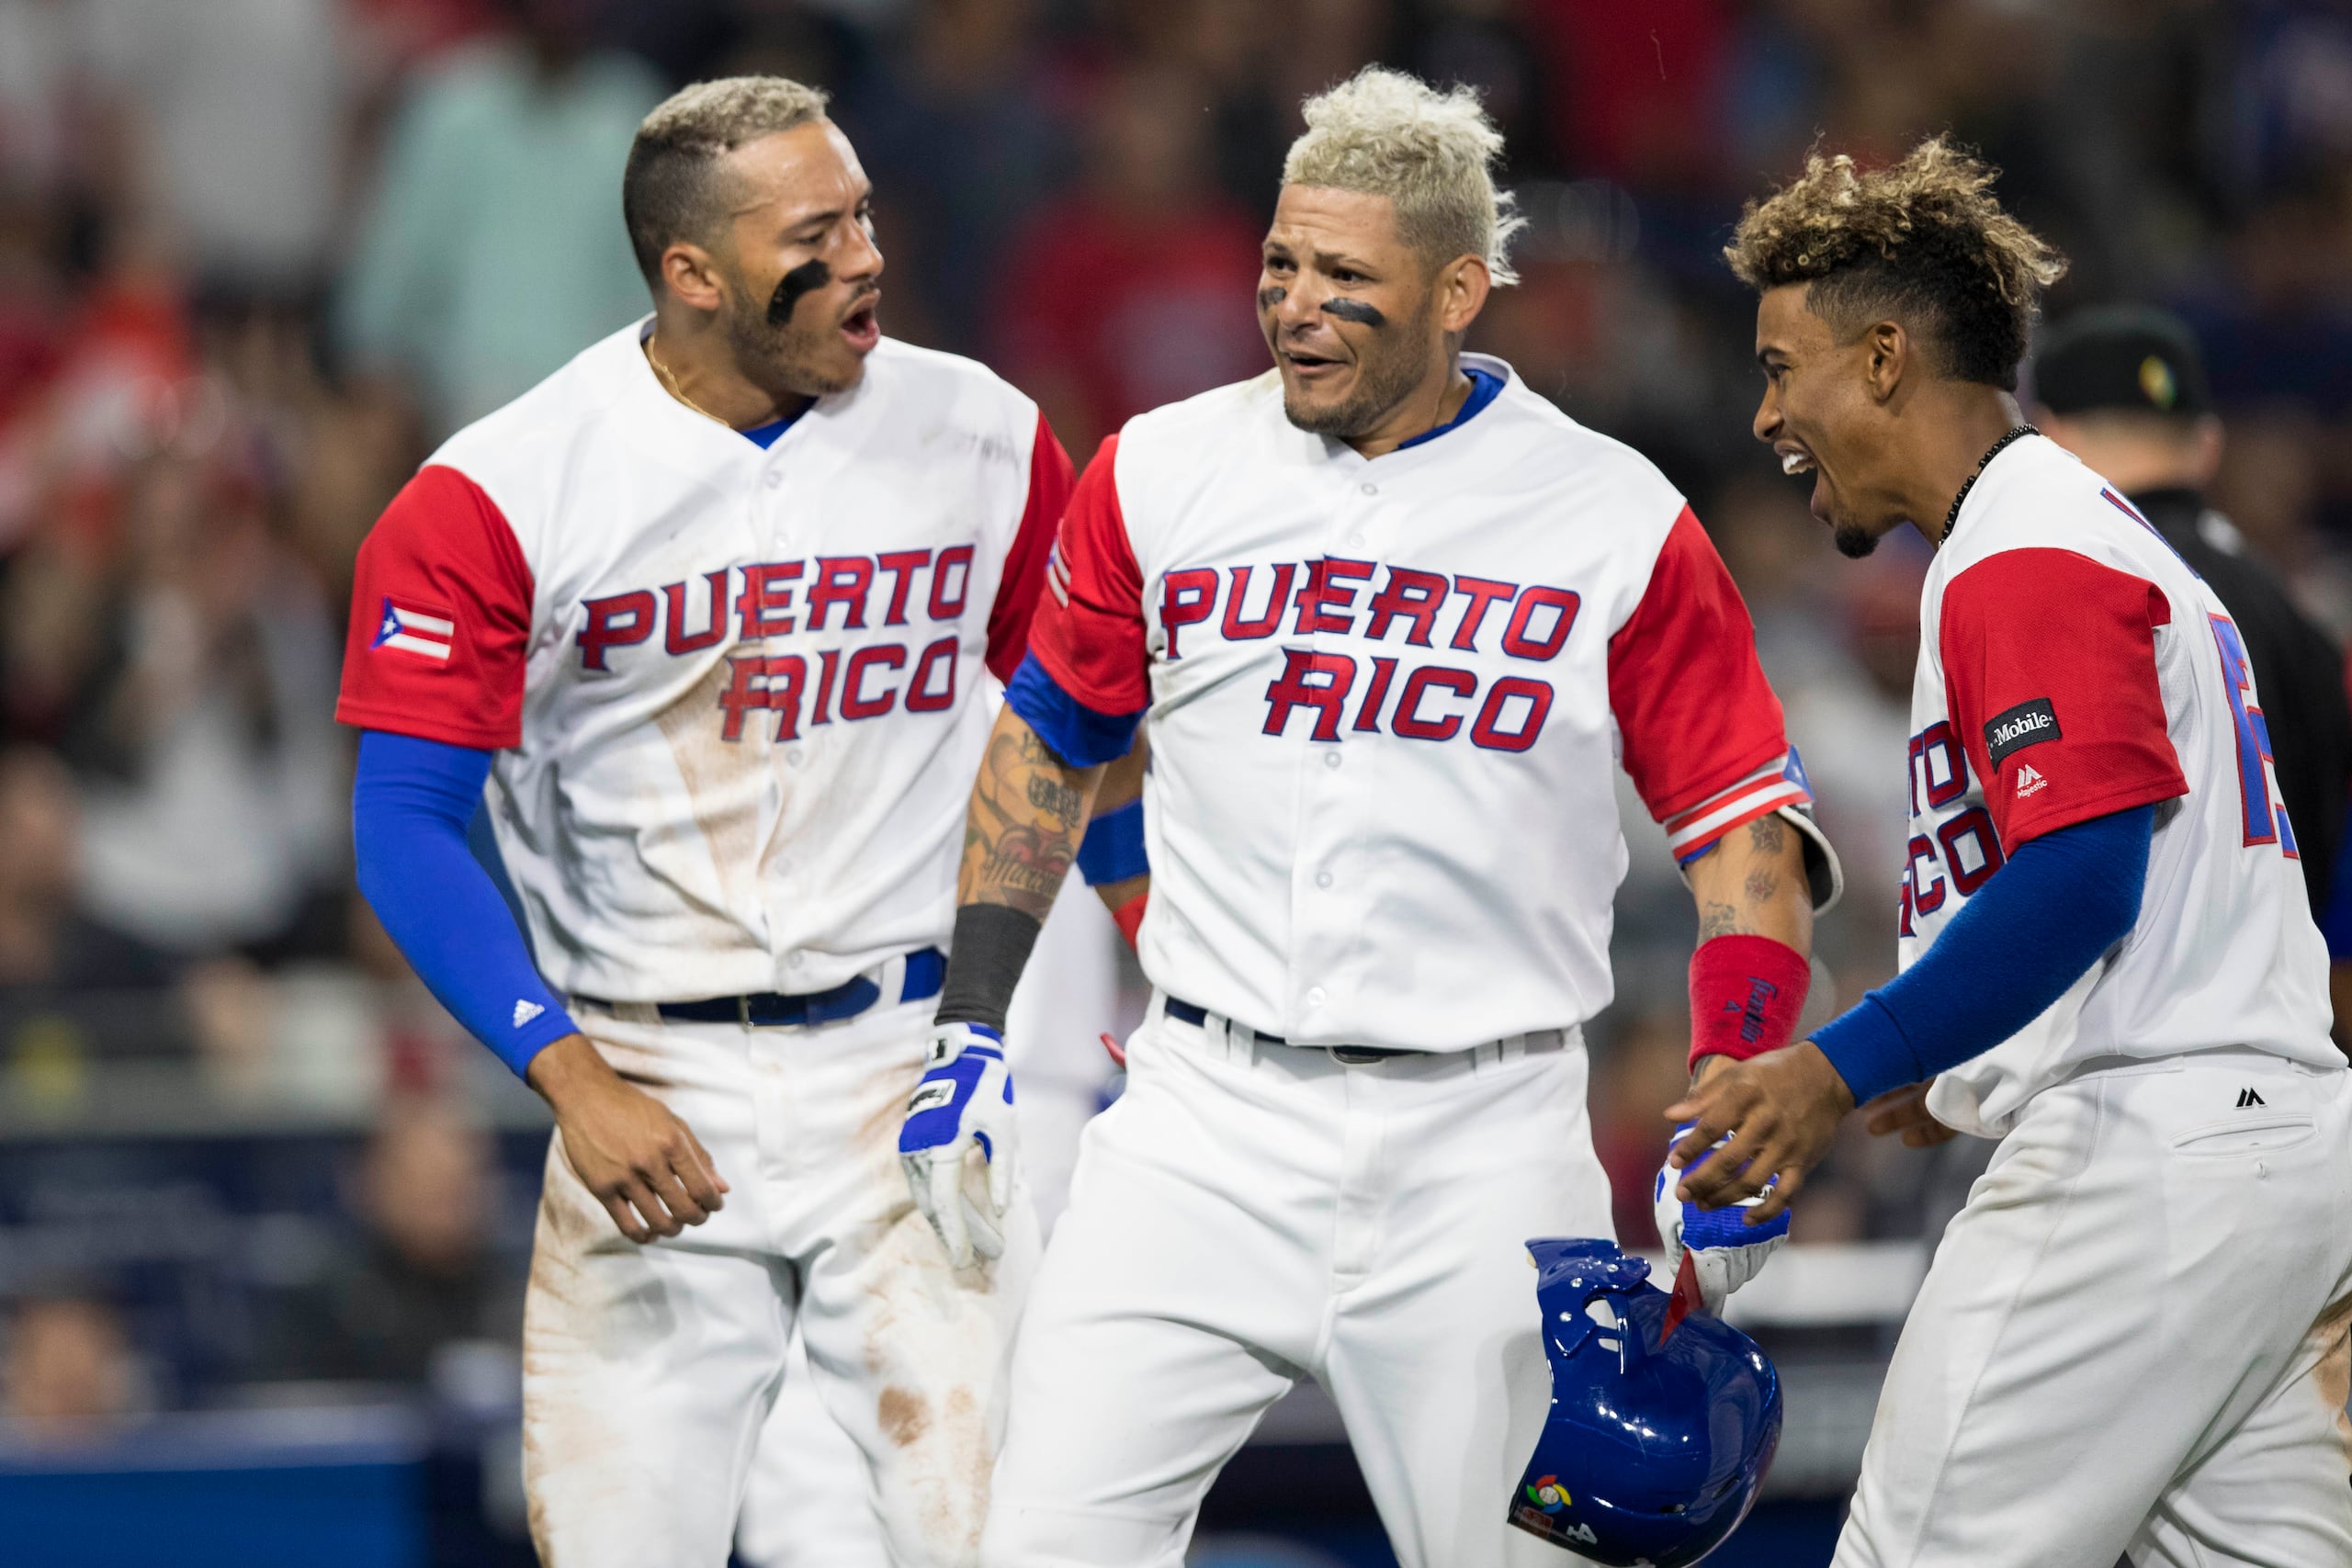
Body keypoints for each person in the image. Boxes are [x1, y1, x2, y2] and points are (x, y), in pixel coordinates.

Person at [930, 68, 1838, 1568]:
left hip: (1480, 1142)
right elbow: (1047, 748)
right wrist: (970, 1023)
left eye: (1346, 277)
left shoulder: (1610, 514)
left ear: (1460, 289)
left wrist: (1736, 1075)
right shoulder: (1159, 466)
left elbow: (1745, 836)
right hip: (1198, 1126)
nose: (1294, 303)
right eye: (1281, 264)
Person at [338, 76, 1088, 1568]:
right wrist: (568, 1072)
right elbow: (406, 820)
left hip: (909, 1065)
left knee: (996, 1541)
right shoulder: (498, 489)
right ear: (693, 273)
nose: (869, 255)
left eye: (866, 212)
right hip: (646, 1074)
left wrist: (1135, 964)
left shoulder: (987, 435)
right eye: (818, 231)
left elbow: (1082, 735)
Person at [1683, 137, 2352, 1567]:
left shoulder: (2025, 550)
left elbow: (2082, 871)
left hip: (2150, 1162)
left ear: (1880, 362)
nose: (1763, 412)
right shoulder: (2074, 530)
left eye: (1780, 365)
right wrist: (1973, 1051)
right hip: (2269, 1153)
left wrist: (1833, 1063)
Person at [2031, 304, 2352, 923]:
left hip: (2143, 1004)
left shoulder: (2081, 588)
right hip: (2291, 994)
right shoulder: (2289, 610)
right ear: (2208, 446)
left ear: (2048, 441)